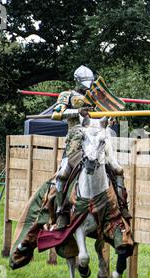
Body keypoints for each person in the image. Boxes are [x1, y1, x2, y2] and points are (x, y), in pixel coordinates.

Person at [52, 65, 96, 230]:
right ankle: (60, 210)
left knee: (114, 168)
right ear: (77, 81)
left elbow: (105, 114)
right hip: (75, 140)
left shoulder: (95, 96)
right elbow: (56, 114)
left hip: (94, 138)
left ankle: (118, 204)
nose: (87, 85)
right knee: (63, 174)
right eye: (84, 82)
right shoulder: (66, 95)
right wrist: (78, 112)